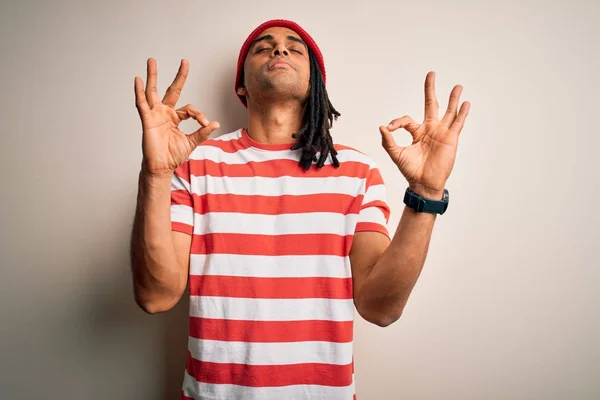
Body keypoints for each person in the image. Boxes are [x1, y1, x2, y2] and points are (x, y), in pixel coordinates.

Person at [130, 18, 470, 400]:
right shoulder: (195, 162)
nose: (279, 48)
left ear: (315, 84)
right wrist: (156, 174)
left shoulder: (356, 172)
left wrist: (425, 192)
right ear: (241, 85)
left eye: (295, 46)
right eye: (263, 46)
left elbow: (380, 308)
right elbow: (155, 296)